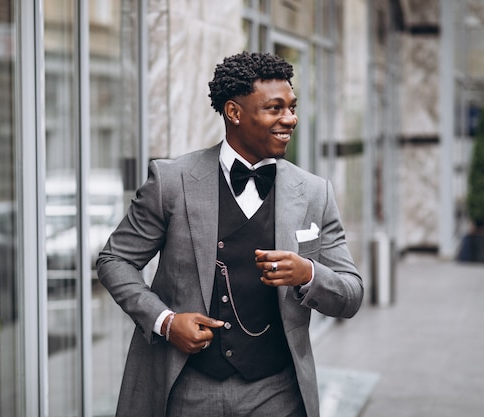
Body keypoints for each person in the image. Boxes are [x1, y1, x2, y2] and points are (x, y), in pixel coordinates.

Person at [96, 51, 364, 417]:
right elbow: (115, 260)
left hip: (277, 392)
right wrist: (166, 321)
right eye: (275, 108)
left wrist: (309, 275)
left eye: (292, 107)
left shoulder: (315, 193)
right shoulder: (172, 181)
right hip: (187, 387)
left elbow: (350, 295)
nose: (290, 118)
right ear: (234, 113)